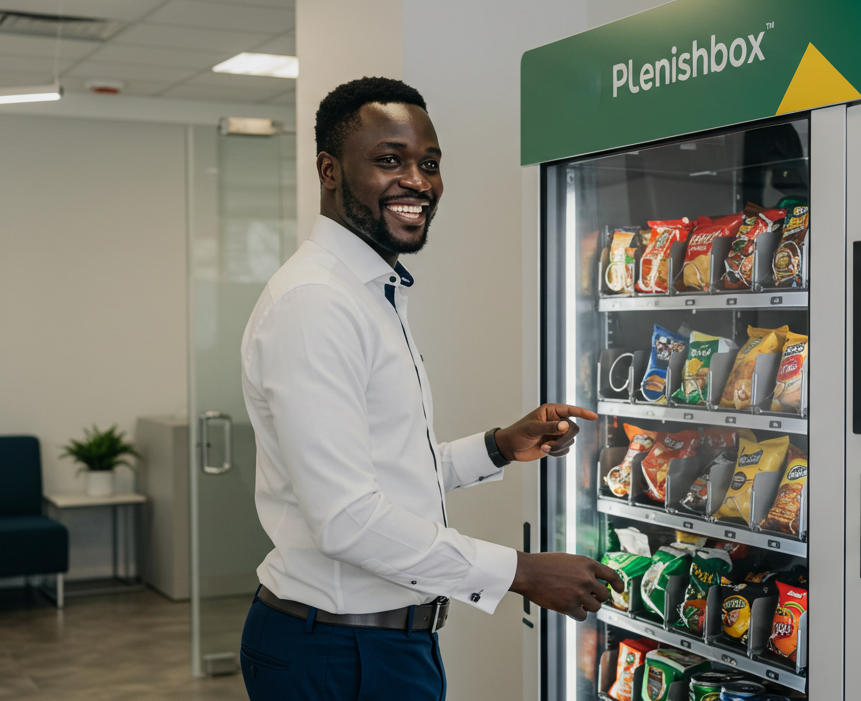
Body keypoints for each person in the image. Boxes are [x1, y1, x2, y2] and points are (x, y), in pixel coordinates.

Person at [239, 77, 622, 700]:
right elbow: (347, 520)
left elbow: (384, 472)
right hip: (339, 651)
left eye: (429, 163)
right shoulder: (316, 304)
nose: (418, 181)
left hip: (378, 644)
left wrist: (499, 445)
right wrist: (520, 572)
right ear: (329, 171)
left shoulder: (370, 291)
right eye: (389, 160)